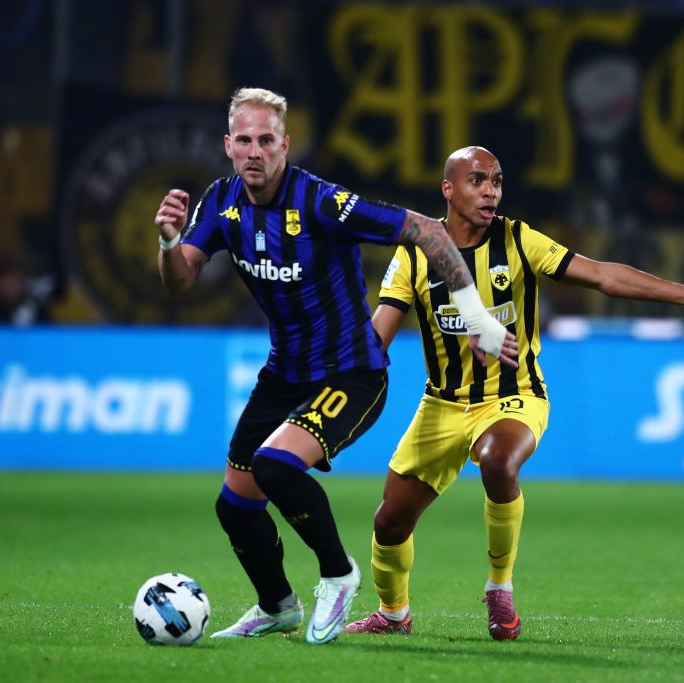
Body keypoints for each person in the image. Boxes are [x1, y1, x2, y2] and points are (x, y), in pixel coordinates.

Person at [153, 89, 517, 645]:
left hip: (351, 372)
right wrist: (168, 242)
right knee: (235, 505)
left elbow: (427, 231)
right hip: (284, 373)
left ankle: (338, 574)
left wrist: (476, 318)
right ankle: (277, 606)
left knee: (275, 466)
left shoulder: (321, 202)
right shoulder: (221, 203)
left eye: (266, 140)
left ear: (285, 145)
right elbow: (180, 281)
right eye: (244, 140)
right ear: (228, 146)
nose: (255, 151)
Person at [344, 146, 684, 640]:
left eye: (497, 180)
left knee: (497, 460)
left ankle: (499, 587)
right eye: (477, 180)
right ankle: (393, 614)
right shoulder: (413, 254)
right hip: (442, 405)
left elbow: (602, 275)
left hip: (514, 396)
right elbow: (377, 338)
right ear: (448, 189)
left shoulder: (517, 239)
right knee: (389, 523)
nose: (490, 191)